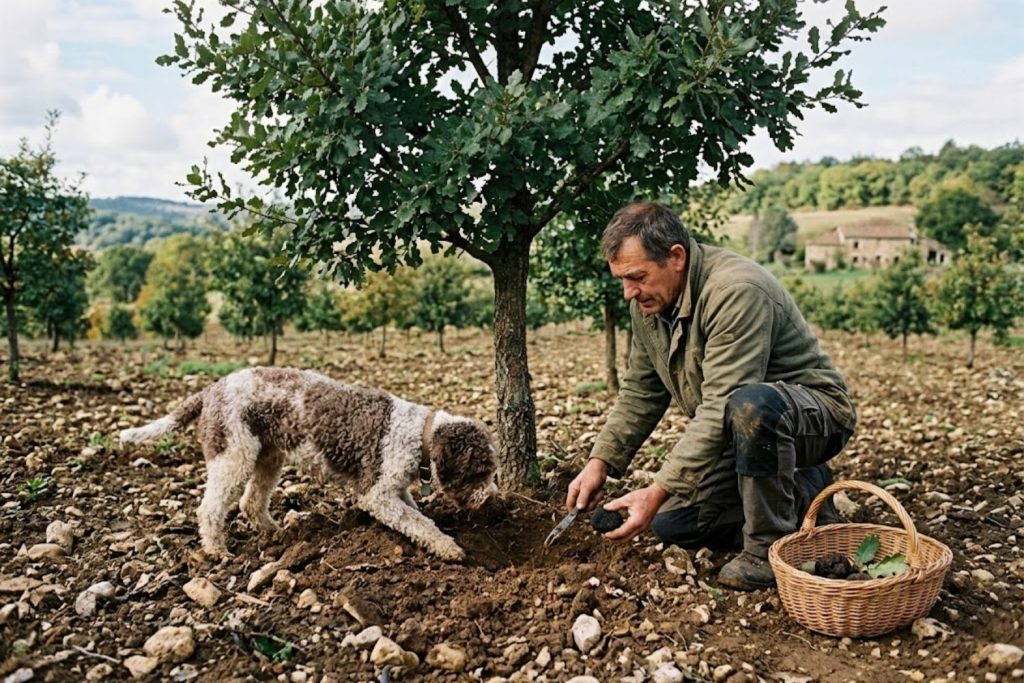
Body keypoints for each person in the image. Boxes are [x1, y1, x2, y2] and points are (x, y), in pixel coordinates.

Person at [566, 201, 856, 590]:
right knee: (674, 524)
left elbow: (724, 401)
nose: (628, 293)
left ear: (676, 257)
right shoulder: (650, 304)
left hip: (809, 418)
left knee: (751, 405)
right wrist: (600, 461)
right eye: (621, 279)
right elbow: (641, 389)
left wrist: (656, 489)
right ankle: (799, 493)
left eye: (636, 277)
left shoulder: (735, 290)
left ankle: (767, 549)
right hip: (741, 430)